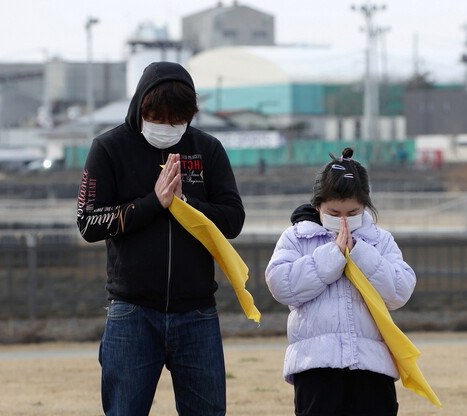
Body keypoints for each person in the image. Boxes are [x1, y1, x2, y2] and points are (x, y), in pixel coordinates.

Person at [76, 61, 244, 416]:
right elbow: (88, 222)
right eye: (159, 117)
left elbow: (233, 219)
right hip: (132, 312)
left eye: (177, 120)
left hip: (197, 311)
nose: (168, 127)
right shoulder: (109, 148)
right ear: (141, 107)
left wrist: (187, 206)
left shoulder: (207, 149)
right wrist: (153, 204)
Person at [265, 147, 416, 416]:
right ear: (318, 206)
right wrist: (332, 256)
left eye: (352, 213)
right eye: (334, 214)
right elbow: (281, 285)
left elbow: (400, 291)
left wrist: (360, 252)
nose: (344, 221)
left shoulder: (379, 240)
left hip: (372, 364)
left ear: (366, 206)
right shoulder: (296, 237)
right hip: (315, 365)